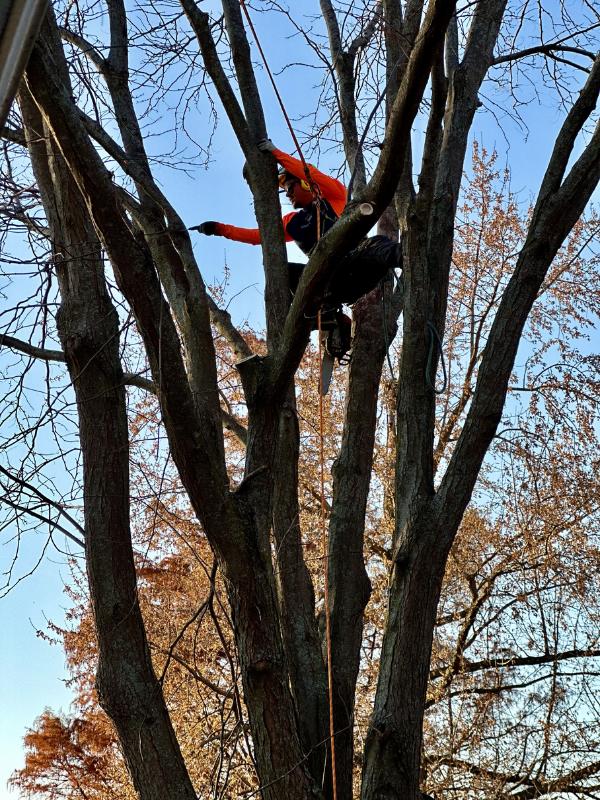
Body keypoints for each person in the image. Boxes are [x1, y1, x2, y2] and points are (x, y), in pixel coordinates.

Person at [190, 140, 401, 360]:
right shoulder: (292, 222)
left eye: (289, 187)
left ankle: (404, 256)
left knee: (377, 244)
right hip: (331, 282)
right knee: (285, 271)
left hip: (357, 266)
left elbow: (309, 171)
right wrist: (218, 229)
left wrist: (276, 153)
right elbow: (256, 237)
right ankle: (329, 320)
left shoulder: (335, 196)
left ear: (306, 184)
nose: (288, 194)